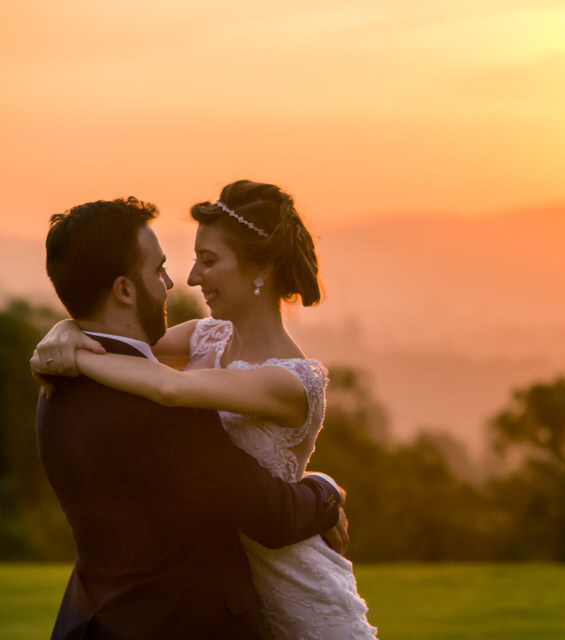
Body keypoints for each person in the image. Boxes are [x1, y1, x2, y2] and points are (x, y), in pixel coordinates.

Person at [34, 182, 377, 640]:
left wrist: (69, 340)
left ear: (261, 267)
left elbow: (163, 379)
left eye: (208, 261)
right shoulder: (196, 347)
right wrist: (63, 331)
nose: (189, 279)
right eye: (172, 266)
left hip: (292, 585)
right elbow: (135, 352)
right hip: (208, 606)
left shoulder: (290, 379)